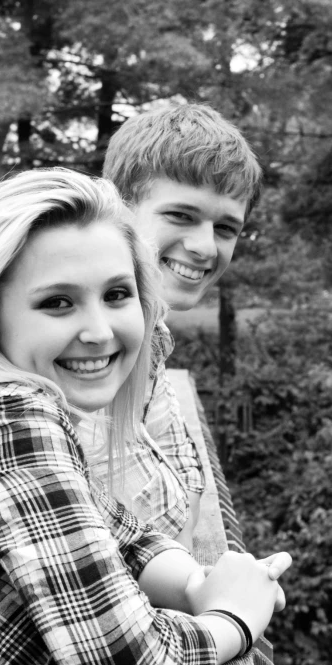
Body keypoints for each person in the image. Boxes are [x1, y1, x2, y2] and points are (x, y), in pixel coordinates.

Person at [0, 168, 290, 665]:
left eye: (116, 294)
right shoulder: (9, 418)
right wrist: (235, 616)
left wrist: (194, 579)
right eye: (57, 303)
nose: (99, 331)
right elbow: (125, 664)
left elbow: (102, 526)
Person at [102, 102, 263, 547]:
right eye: (181, 216)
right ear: (119, 209)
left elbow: (180, 462)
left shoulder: (151, 333)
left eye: (227, 228)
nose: (206, 248)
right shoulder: (85, 347)